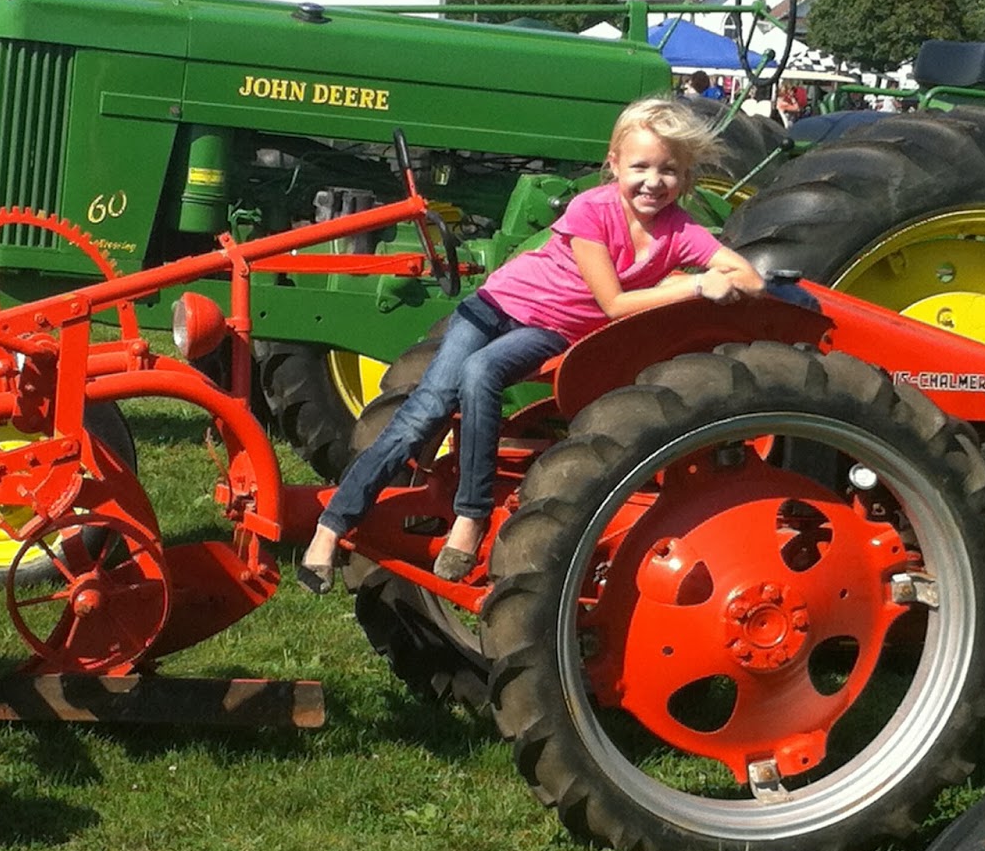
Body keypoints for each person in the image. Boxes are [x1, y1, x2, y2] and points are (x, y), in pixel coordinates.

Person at [296, 97, 767, 591]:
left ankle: (470, 516)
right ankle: (329, 529)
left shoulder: (680, 230)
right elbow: (613, 304)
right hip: (493, 307)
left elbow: (751, 278)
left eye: (668, 170)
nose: (653, 181)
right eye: (640, 167)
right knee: (426, 408)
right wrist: (696, 284)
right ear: (614, 164)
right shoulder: (592, 210)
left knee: (481, 373)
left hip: (549, 329)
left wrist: (722, 275)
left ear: (686, 174)